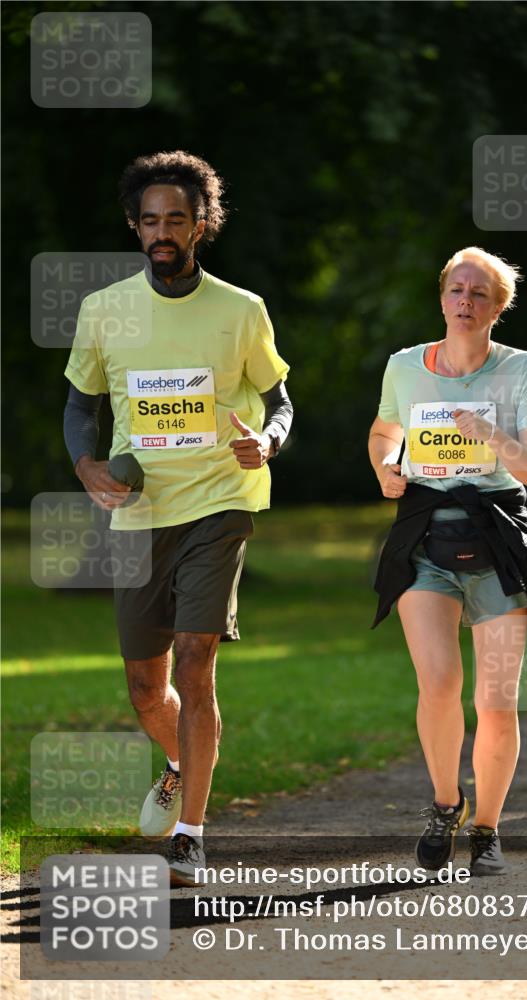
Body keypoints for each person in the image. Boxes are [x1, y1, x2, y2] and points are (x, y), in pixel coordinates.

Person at [63, 151, 293, 885]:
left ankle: (190, 833)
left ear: (203, 225)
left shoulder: (241, 310)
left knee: (196, 660)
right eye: (151, 220)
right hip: (138, 511)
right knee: (143, 684)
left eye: (178, 219)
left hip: (219, 502)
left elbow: (280, 399)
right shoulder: (104, 311)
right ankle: (174, 762)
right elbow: (79, 403)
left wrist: (270, 440)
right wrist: (86, 465)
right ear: (136, 228)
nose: (164, 231)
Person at [368, 247, 527, 876]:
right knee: (440, 683)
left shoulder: (520, 370)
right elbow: (383, 430)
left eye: (479, 294)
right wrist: (385, 465)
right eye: (456, 289)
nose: (465, 301)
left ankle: (488, 827)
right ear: (442, 296)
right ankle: (446, 802)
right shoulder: (403, 366)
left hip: (498, 538)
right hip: (425, 537)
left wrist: (491, 436)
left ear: (498, 307)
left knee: (497, 704)